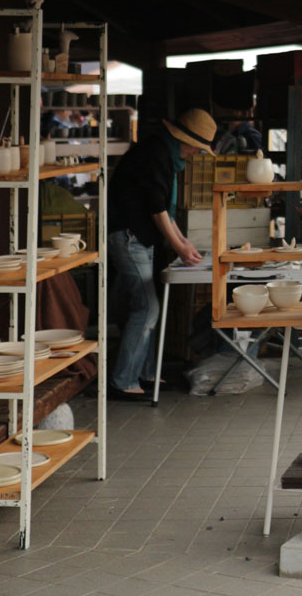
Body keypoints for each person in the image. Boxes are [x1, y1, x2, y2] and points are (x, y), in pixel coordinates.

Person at [107, 108, 214, 400]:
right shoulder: (155, 155)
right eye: (197, 147)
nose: (196, 154)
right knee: (147, 309)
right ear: (185, 140)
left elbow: (163, 209)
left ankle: (147, 374)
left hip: (139, 238)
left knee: (143, 307)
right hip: (129, 237)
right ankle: (122, 380)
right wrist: (179, 246)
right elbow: (156, 207)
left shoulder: (164, 154)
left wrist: (184, 243)